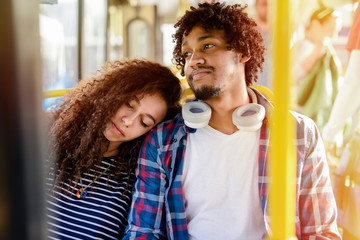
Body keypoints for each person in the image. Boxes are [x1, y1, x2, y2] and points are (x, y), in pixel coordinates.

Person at [124, 2, 341, 240]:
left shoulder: (299, 133)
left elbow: (321, 233)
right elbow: (143, 233)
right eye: (187, 53)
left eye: (207, 45)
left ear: (243, 51)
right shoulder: (163, 140)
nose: (194, 60)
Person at [45, 59, 182, 239]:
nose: (128, 121)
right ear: (111, 92)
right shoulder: (45, 138)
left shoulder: (136, 180)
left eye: (144, 122)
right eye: (128, 104)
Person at [295, 5, 342, 133]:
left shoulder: (325, 52)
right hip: (298, 111)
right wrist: (317, 51)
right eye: (331, 29)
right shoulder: (301, 47)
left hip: (309, 114)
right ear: (315, 25)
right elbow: (293, 75)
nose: (334, 35)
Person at [254, 0, 272, 89]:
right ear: (256, 6)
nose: (268, 8)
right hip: (252, 92)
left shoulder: (281, 36)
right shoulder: (246, 33)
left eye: (270, 5)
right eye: (264, 4)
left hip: (275, 94)